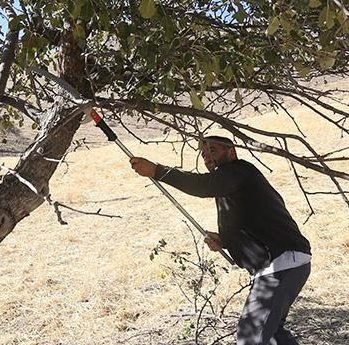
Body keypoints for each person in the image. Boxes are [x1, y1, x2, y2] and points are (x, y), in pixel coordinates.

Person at [129, 135, 311, 345]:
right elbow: (257, 218)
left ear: (231, 152)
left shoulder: (239, 171)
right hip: (283, 263)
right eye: (204, 153)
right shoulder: (232, 182)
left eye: (213, 150)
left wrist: (157, 171)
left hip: (281, 263)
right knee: (272, 336)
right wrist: (226, 241)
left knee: (251, 338)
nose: (207, 156)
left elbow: (202, 186)